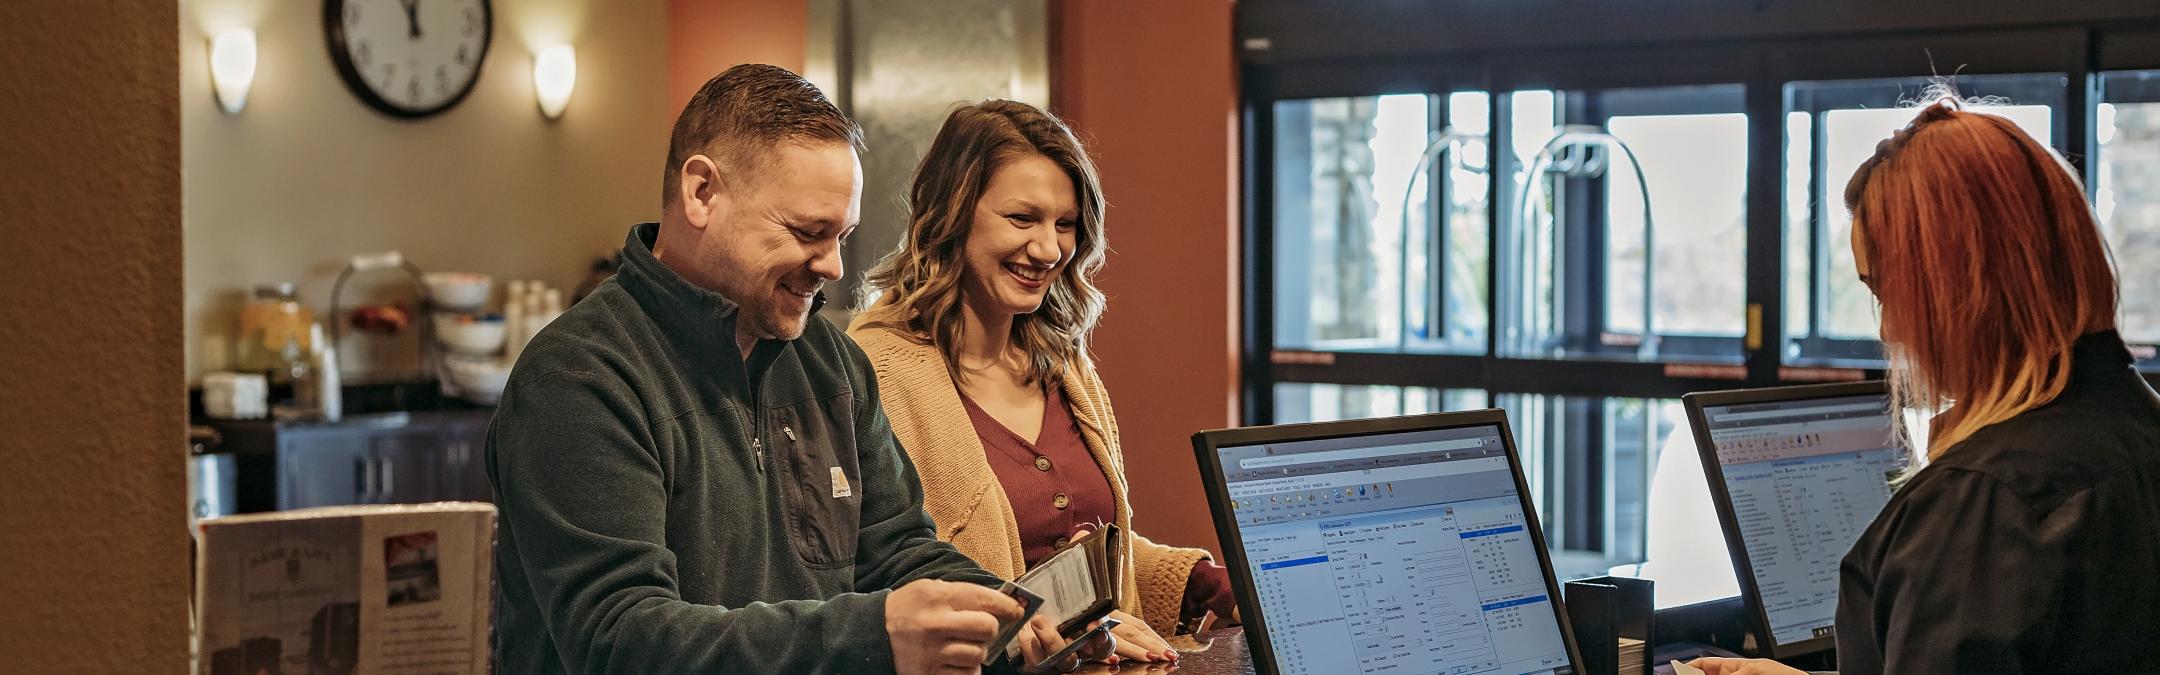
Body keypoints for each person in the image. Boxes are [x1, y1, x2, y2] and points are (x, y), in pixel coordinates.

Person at [488, 65, 1093, 674]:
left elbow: (901, 551)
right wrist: (872, 634)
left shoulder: (832, 364)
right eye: (809, 231)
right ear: (702, 193)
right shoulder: (578, 379)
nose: (833, 265)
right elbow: (619, 640)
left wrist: (1025, 623)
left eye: (843, 235)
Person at [1694, 96, 2160, 674]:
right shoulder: (2140, 427)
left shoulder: (1982, 502)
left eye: (1888, 290)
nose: (1888, 327)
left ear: (1958, 285)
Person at [848, 100, 1240, 666]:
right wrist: (1068, 627)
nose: (1049, 249)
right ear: (950, 214)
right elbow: (884, 575)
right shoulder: (875, 370)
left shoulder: (1063, 361)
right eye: (1022, 219)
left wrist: (1198, 581)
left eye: (1065, 224)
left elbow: (1075, 555)